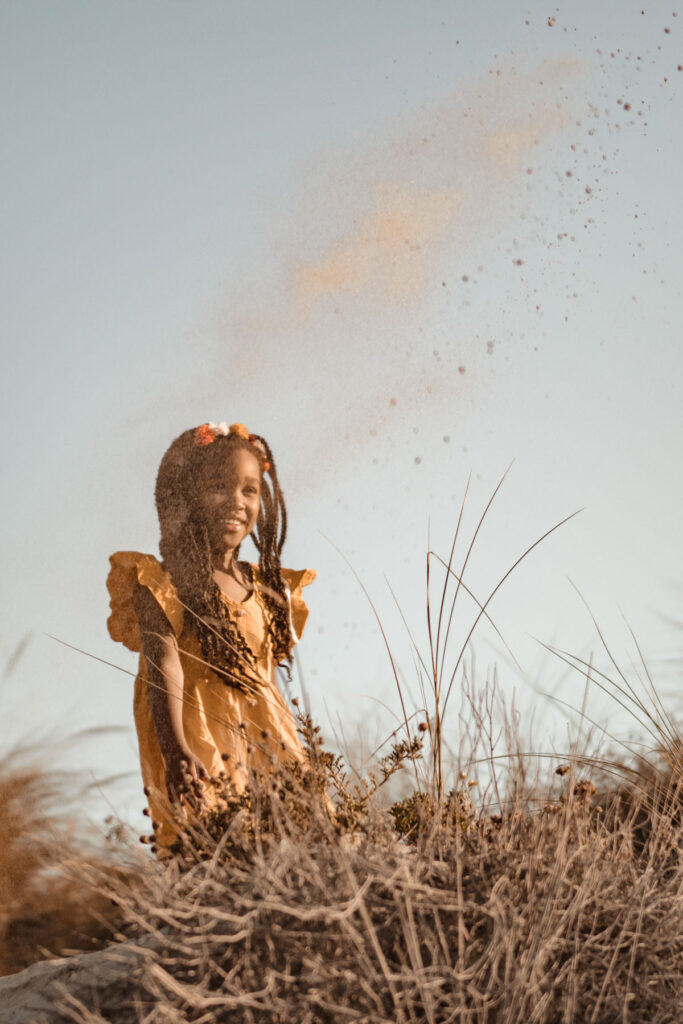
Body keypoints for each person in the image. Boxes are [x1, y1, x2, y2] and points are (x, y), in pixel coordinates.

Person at [106, 421, 315, 852]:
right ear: (186, 496)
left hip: (267, 747)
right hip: (198, 747)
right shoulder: (161, 585)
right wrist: (175, 750)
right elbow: (164, 666)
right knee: (213, 849)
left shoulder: (267, 588)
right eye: (220, 487)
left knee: (298, 843)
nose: (237, 501)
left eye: (249, 490)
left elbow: (264, 680)